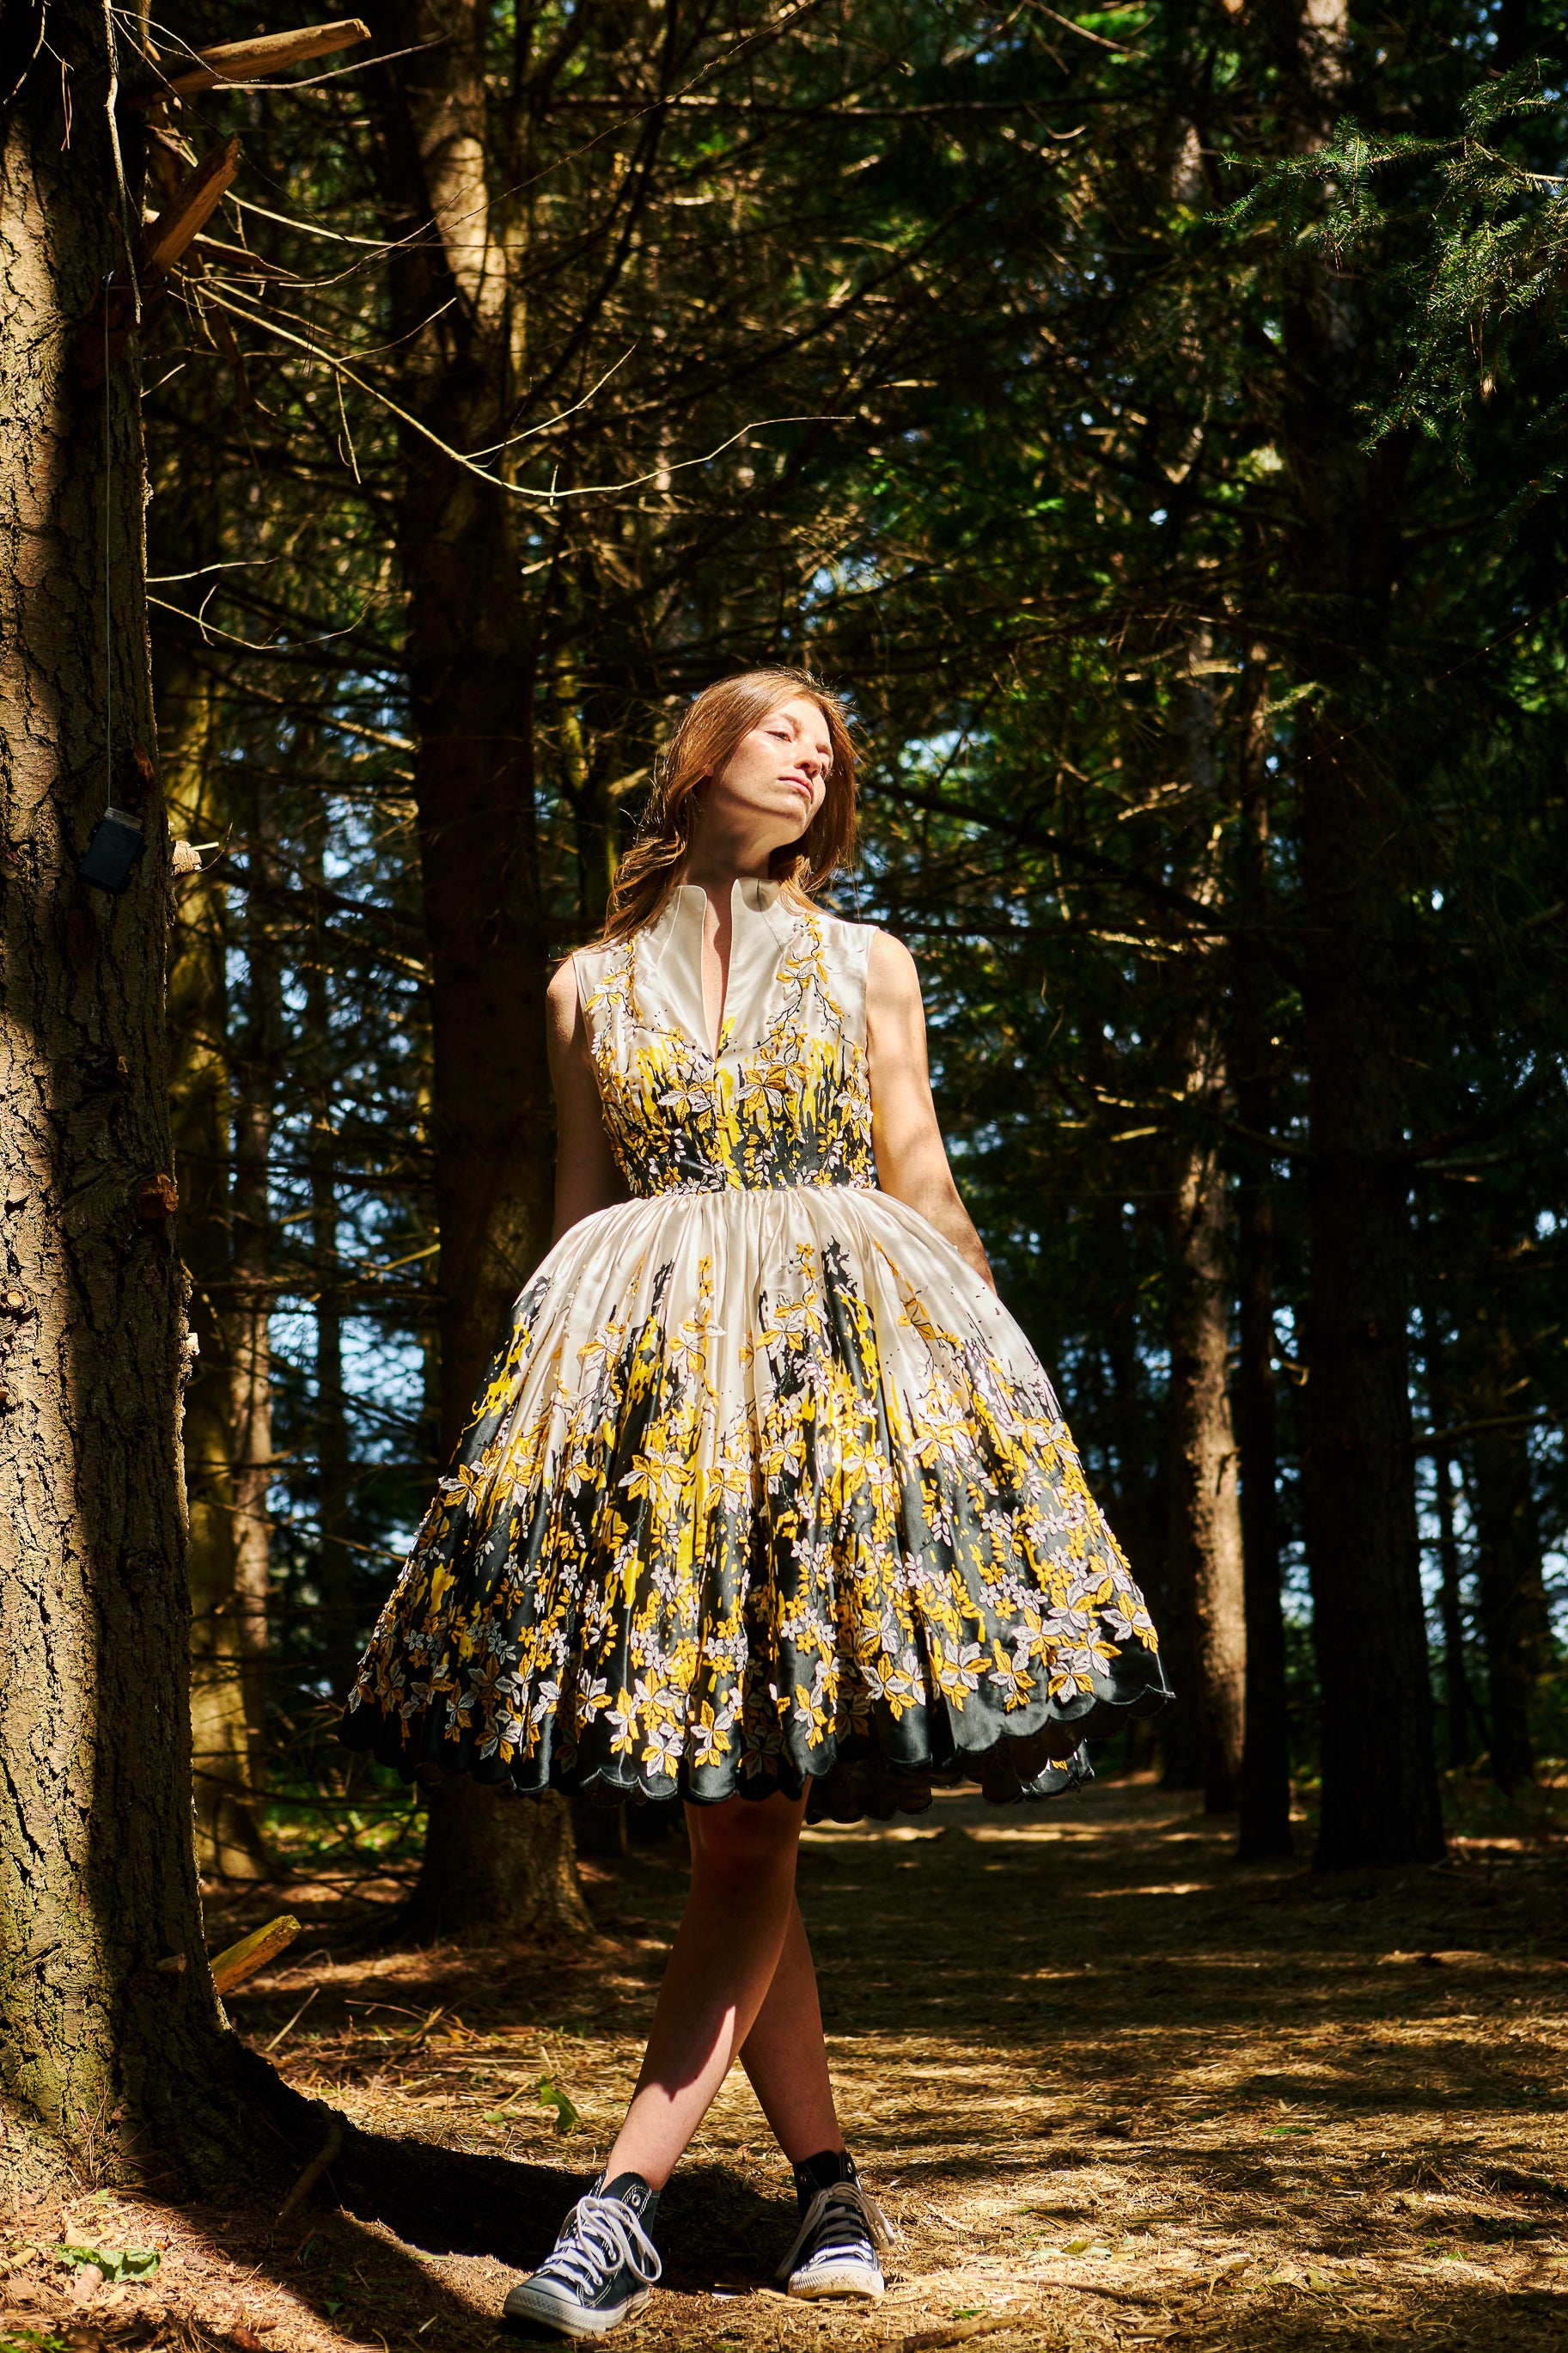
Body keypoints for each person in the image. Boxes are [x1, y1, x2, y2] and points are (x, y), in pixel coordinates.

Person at [340, 667, 1171, 2341]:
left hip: (832, 1406)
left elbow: (917, 1176)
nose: (813, 751)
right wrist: (546, 1430)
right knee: (735, 1817)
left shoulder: (868, 962)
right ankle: (829, 2185)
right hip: (656, 1424)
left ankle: (619, 2205)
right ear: (701, 754)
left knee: (748, 1823)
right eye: (783, 725)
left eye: (829, 742)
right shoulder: (583, 986)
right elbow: (580, 1212)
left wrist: (1002, 1397)